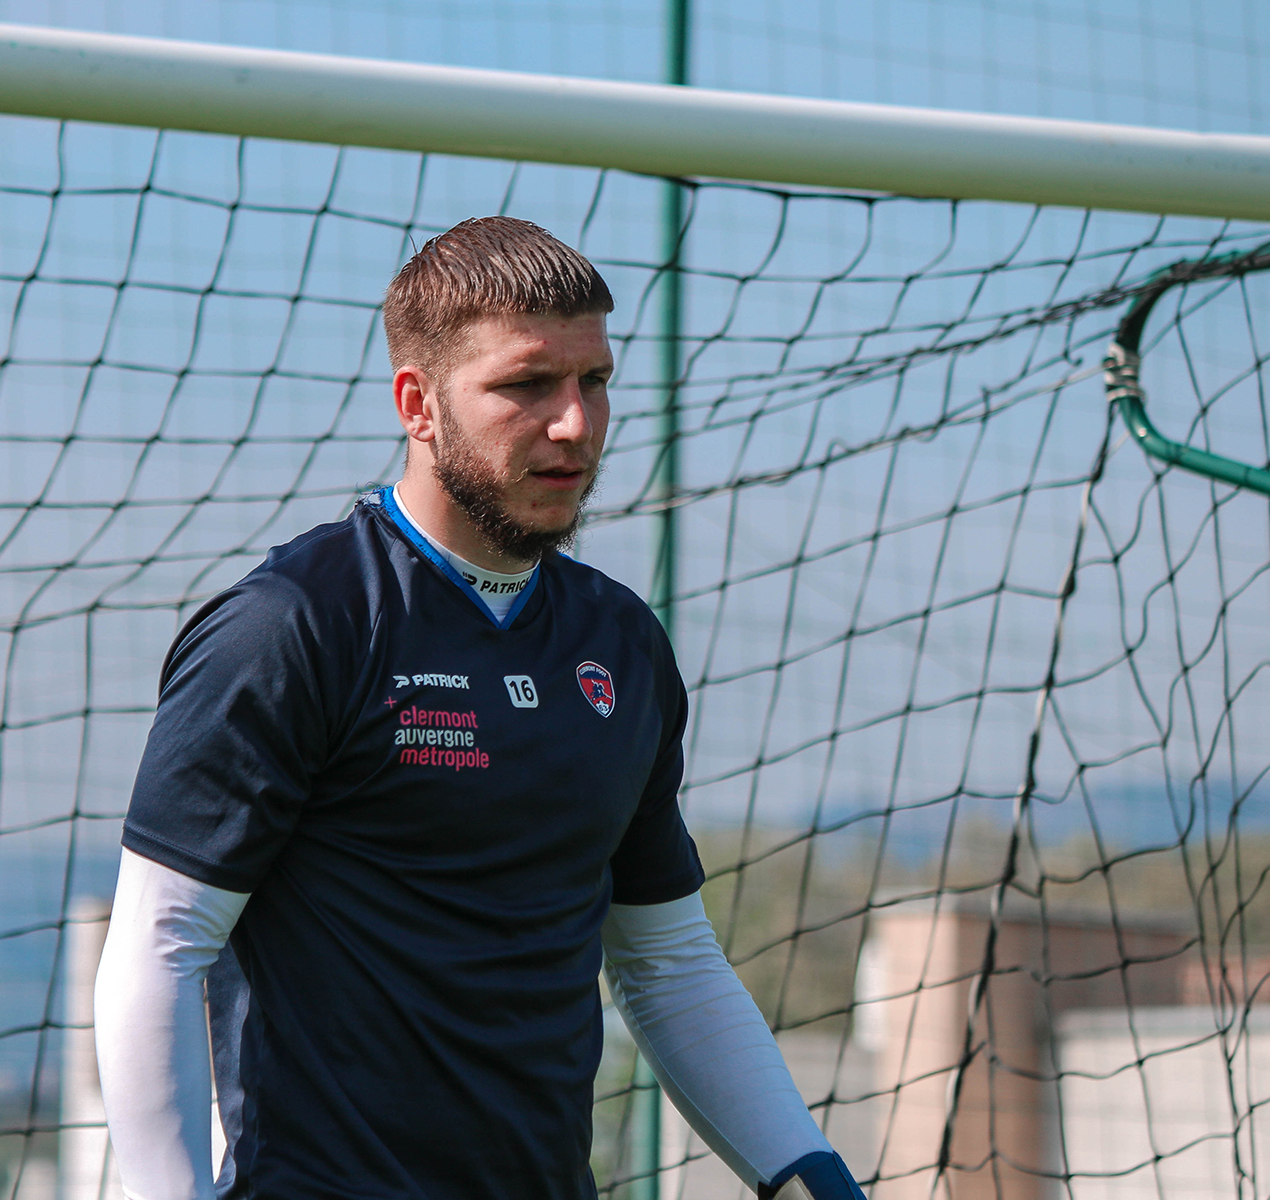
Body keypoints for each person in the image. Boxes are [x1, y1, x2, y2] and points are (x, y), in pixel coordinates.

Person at [93, 216, 866, 1200]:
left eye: (594, 381)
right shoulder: (294, 625)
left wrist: (806, 1173)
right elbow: (159, 945)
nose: (575, 424)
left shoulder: (619, 646)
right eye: (527, 385)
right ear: (417, 404)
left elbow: (666, 961)